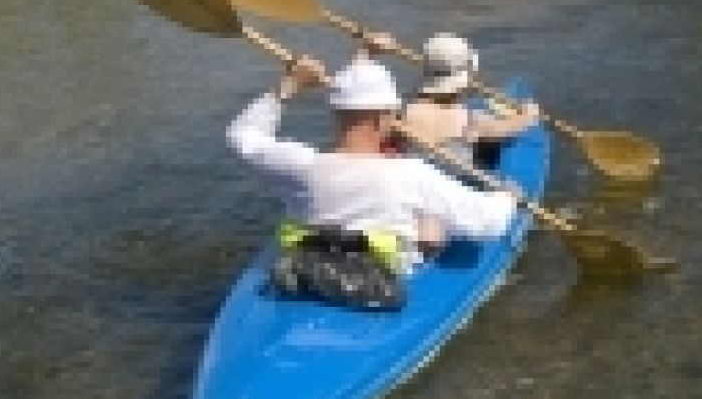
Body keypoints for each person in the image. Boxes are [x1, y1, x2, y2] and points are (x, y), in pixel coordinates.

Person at [227, 48, 519, 301]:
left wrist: (287, 88)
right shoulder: (411, 174)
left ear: (335, 113)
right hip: (379, 281)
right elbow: (489, 224)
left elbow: (242, 136)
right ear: (383, 118)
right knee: (434, 227)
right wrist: (507, 198)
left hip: (308, 265)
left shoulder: (299, 165)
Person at [398, 33, 541, 167]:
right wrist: (528, 115)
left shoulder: (404, 112)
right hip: (455, 185)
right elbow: (509, 128)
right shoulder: (471, 120)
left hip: (417, 182)